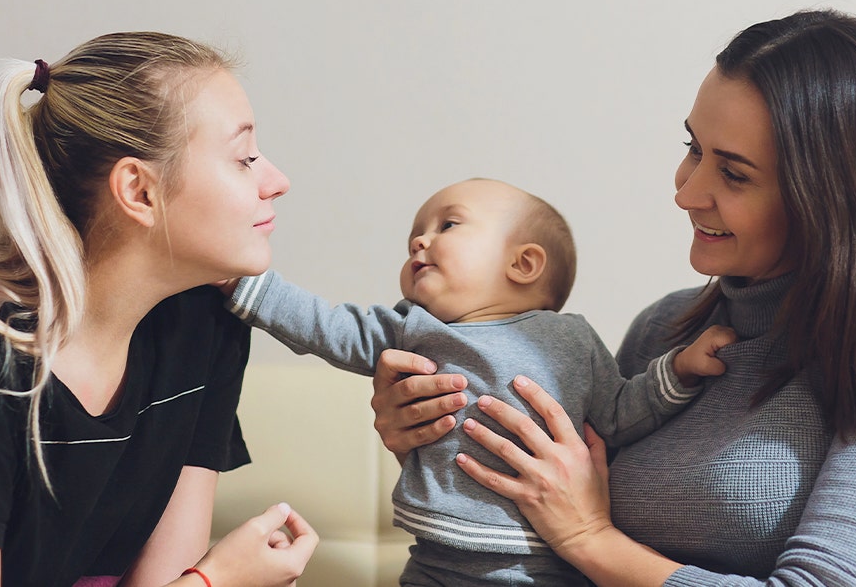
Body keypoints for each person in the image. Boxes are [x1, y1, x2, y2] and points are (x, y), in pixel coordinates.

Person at [369, 9, 856, 586]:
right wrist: (436, 432)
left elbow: (579, 527)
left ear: (828, 197)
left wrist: (594, 541)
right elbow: (546, 503)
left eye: (732, 173)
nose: (686, 191)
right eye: (693, 149)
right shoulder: (665, 333)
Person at [0, 32, 318, 586]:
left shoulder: (204, 329)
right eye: (245, 158)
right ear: (139, 191)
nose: (277, 182)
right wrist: (216, 583)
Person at [225, 177, 735, 585]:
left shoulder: (573, 340)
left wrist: (681, 369)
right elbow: (325, 325)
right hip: (436, 558)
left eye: (448, 225)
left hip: (549, 564)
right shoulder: (412, 329)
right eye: (414, 237)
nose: (420, 240)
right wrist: (239, 278)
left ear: (524, 263)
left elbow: (621, 412)